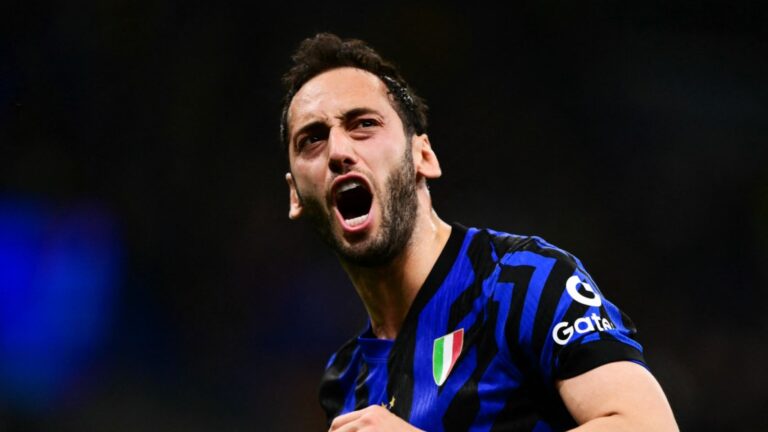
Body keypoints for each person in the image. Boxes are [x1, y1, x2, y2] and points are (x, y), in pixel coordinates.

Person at [280, 32, 679, 432]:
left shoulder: (522, 282)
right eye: (312, 139)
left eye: (364, 124)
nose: (338, 152)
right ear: (296, 194)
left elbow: (649, 425)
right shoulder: (345, 379)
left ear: (423, 156)